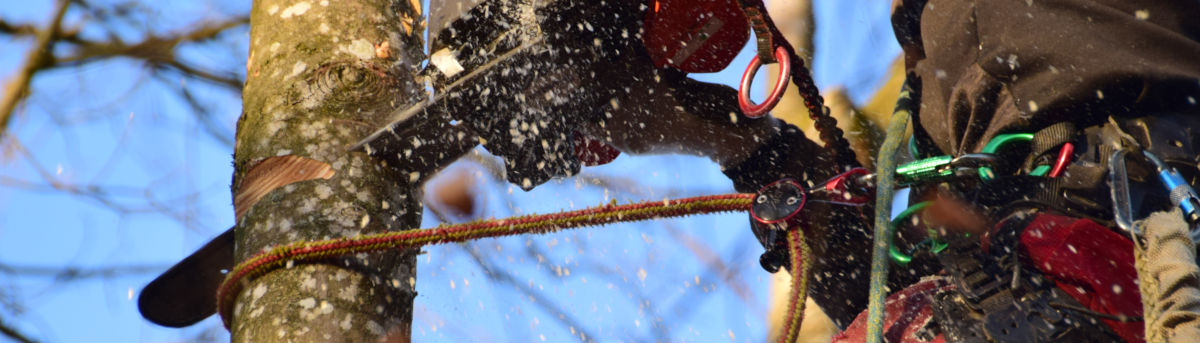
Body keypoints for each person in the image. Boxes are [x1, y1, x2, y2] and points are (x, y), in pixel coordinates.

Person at [579, 0, 1200, 341]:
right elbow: (870, 296)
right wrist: (740, 144)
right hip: (1023, 273)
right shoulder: (935, 66)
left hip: (1149, 217)